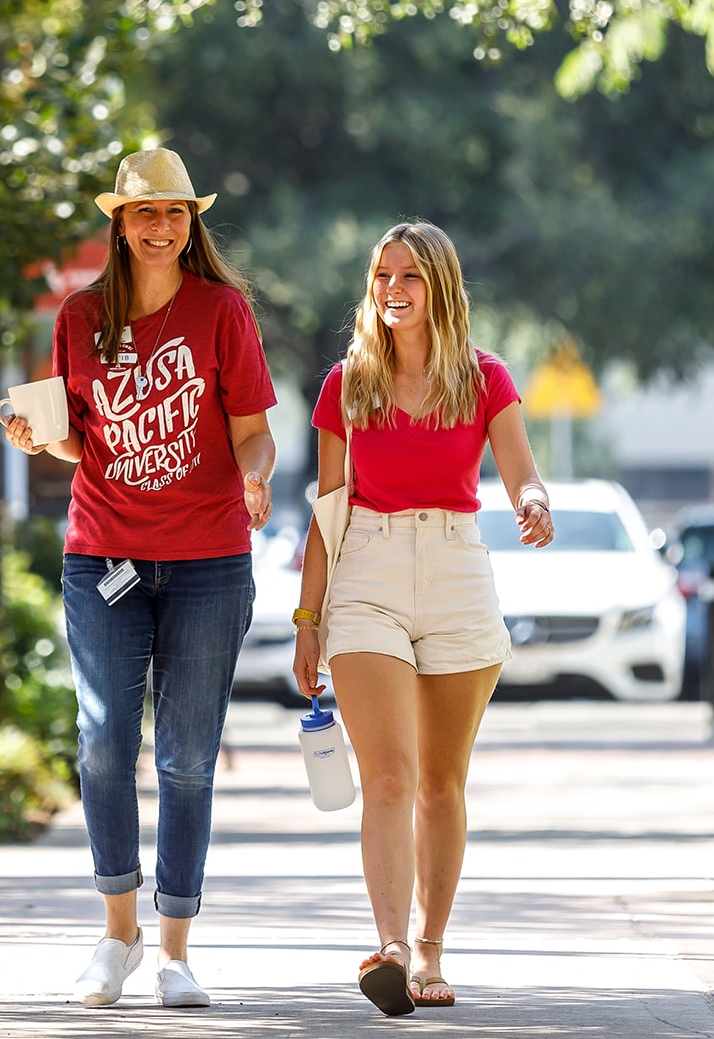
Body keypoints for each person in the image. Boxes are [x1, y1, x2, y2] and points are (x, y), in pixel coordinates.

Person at [2, 147, 277, 1009]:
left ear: (191, 223)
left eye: (175, 214)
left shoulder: (222, 311)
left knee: (189, 758)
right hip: (104, 553)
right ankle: (115, 936)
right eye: (144, 213)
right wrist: (39, 438)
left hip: (209, 558)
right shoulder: (81, 317)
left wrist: (259, 474)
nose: (161, 227)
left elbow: (252, 431)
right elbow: (84, 439)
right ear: (118, 225)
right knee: (104, 742)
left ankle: (175, 951)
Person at [291, 220, 553, 1017]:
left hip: (456, 570)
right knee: (391, 775)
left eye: (410, 276)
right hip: (365, 570)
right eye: (382, 276)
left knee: (441, 781)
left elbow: (522, 475)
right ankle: (391, 944)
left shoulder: (484, 377)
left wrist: (534, 504)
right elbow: (327, 512)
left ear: (439, 285)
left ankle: (433, 945)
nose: (394, 289)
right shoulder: (348, 382)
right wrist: (308, 619)